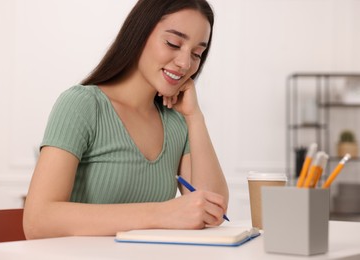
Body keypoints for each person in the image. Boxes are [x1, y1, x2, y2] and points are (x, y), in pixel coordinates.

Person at [23, 0, 229, 239]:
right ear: (139, 34)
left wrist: (195, 117)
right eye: (173, 43)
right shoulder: (83, 105)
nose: (185, 63)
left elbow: (212, 210)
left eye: (197, 54)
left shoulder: (177, 123)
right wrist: (160, 214)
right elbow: (37, 221)